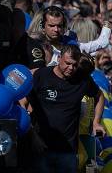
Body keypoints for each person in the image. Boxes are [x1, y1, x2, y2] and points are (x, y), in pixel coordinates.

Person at [25, 44, 106, 173]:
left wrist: (96, 122)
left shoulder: (82, 80)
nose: (71, 68)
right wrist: (32, 136)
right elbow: (23, 104)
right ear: (59, 59)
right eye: (67, 63)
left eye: (74, 65)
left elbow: (99, 96)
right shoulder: (42, 75)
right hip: (41, 147)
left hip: (68, 151)